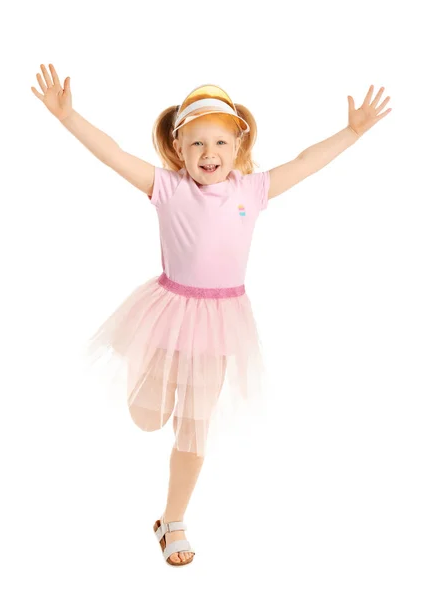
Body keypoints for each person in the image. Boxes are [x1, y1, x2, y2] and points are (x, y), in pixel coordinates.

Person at [31, 64, 392, 566]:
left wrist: (352, 133)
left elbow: (307, 161)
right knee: (148, 417)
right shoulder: (167, 187)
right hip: (169, 312)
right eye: (197, 143)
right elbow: (112, 153)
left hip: (223, 322)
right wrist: (69, 118)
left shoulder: (253, 190)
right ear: (178, 149)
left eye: (221, 144)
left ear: (238, 150)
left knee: (194, 426)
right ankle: (152, 377)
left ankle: (172, 520)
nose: (209, 154)